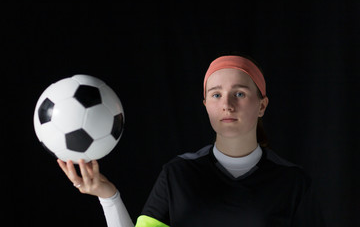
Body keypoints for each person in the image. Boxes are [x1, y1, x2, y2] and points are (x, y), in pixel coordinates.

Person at [58, 54, 325, 226]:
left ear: (262, 105)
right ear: (205, 104)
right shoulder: (178, 174)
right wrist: (109, 196)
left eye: (240, 94)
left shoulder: (292, 182)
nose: (227, 105)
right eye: (216, 95)